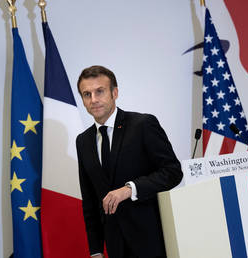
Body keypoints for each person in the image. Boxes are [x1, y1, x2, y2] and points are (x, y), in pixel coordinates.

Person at [76, 65, 183, 258]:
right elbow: (90, 200)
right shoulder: (83, 141)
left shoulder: (143, 124)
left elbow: (173, 171)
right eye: (87, 94)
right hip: (116, 246)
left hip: (154, 242)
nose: (93, 100)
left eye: (99, 91)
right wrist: (96, 250)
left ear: (114, 93)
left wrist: (130, 189)